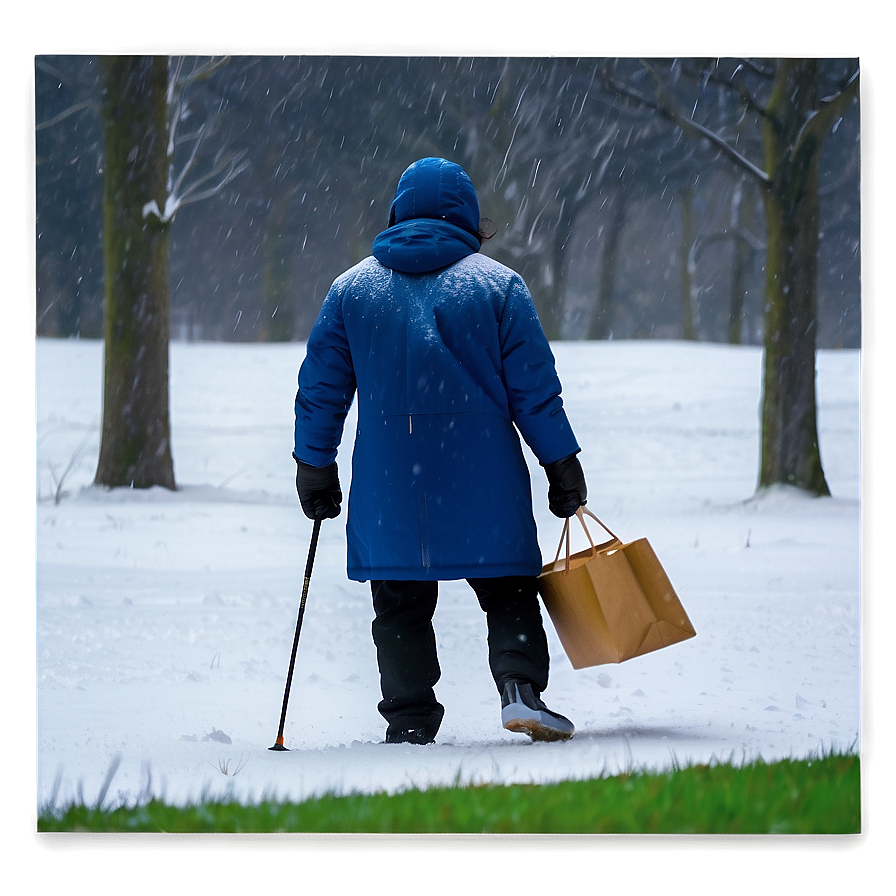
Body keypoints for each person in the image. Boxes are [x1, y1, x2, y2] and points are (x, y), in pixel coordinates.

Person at [293, 157, 587, 744]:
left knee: (399, 598)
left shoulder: (353, 289)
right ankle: (520, 691)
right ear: (471, 219)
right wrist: (560, 461)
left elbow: (322, 386)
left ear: (399, 212)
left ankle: (408, 717)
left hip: (391, 478)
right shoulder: (498, 286)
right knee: (509, 584)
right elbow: (534, 388)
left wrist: (314, 463)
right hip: (483, 475)